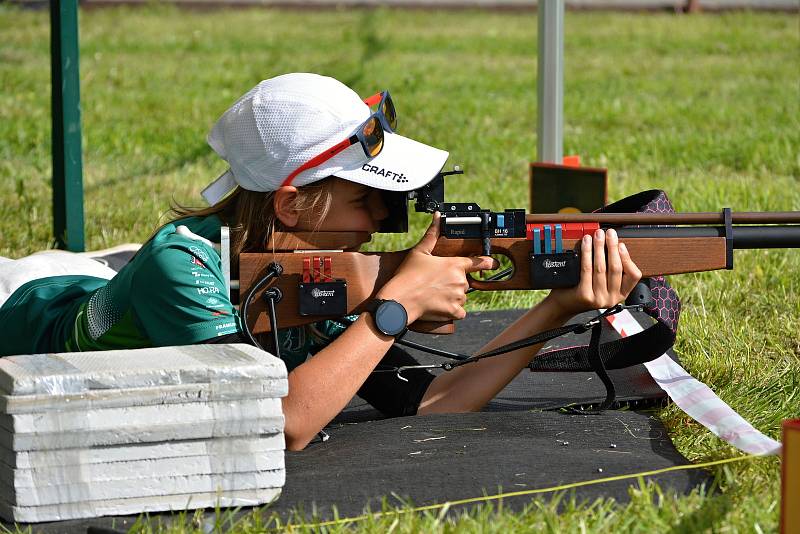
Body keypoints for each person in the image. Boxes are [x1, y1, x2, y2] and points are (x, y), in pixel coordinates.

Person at [0, 73, 641, 450]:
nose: (383, 225)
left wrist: (557, 307)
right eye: (370, 204)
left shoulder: (317, 270)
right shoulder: (184, 268)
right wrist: (393, 309)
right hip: (23, 315)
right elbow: (279, 426)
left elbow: (432, 402)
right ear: (291, 207)